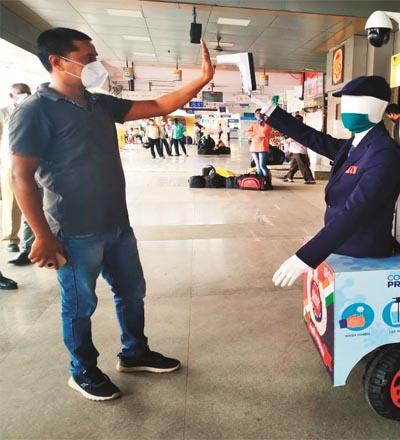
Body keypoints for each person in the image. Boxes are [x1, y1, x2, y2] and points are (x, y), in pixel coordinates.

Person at [9, 27, 214, 401]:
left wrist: (201, 79)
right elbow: (21, 177)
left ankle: (134, 352)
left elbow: (160, 106)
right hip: (73, 231)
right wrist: (42, 235)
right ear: (58, 61)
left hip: (117, 224)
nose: (95, 64)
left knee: (132, 292)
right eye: (87, 58)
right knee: (79, 305)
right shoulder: (34, 112)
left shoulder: (98, 103)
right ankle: (82, 370)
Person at [260, 76, 400, 287]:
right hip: (341, 242)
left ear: (377, 107)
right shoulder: (355, 143)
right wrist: (271, 111)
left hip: (362, 249)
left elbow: (356, 211)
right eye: (345, 103)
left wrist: (306, 257)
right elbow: (312, 138)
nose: (346, 110)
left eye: (354, 103)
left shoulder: (383, 153)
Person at [1, 83, 31, 253]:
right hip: (9, 165)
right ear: (11, 96)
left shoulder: (35, 110)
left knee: (36, 201)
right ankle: (11, 239)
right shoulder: (3, 113)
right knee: (11, 203)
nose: (25, 95)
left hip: (34, 163)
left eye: (27, 92)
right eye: (20, 93)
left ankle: (35, 238)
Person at [282, 115, 315, 184]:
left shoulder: (300, 129)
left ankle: (310, 179)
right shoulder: (299, 128)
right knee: (294, 165)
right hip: (296, 150)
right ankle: (289, 176)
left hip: (299, 150)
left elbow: (295, 138)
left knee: (303, 165)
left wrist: (287, 140)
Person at [246, 108, 272, 177]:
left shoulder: (267, 124)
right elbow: (248, 132)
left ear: (263, 114)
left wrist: (254, 134)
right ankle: (261, 182)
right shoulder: (253, 124)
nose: (258, 115)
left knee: (262, 166)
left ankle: (267, 180)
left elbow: (264, 134)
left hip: (262, 148)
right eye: (257, 113)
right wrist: (256, 134)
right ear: (255, 115)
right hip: (253, 148)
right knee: (257, 166)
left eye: (260, 113)